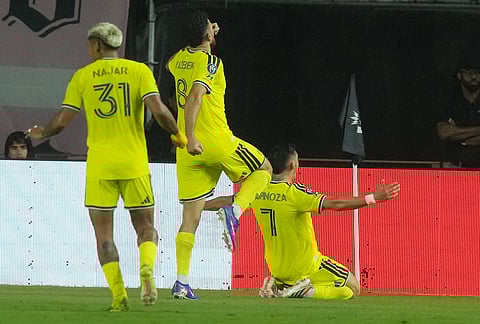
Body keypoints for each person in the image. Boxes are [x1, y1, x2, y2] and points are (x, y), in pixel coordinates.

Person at [26, 22, 187, 311]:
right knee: (146, 227)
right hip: (134, 162)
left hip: (100, 166)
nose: (88, 50)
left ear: (98, 45)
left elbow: (62, 122)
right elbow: (160, 110)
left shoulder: (83, 76)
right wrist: (176, 133)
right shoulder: (139, 71)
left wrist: (42, 133)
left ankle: (118, 296)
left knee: (104, 237)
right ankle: (146, 268)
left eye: (90, 45)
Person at [166, 11, 272, 299]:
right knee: (264, 168)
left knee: (191, 217)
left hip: (187, 154)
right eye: (210, 29)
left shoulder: (177, 61)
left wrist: (203, 33)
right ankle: (234, 211)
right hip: (211, 140)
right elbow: (196, 96)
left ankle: (181, 282)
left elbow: (177, 60)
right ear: (209, 36)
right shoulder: (211, 61)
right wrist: (191, 136)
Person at [204, 143, 400, 300]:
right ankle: (307, 291)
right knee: (352, 288)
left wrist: (197, 205)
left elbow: (226, 201)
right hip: (307, 266)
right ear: (293, 166)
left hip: (277, 267)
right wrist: (373, 197)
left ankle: (277, 283)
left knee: (292, 278)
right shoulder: (295, 193)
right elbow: (336, 203)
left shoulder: (256, 191)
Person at [437, 57, 480, 168]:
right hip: (455, 166)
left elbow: (452, 134)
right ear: (459, 75)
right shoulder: (449, 102)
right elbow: (444, 133)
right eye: (469, 72)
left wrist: (459, 134)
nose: (474, 76)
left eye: (478, 72)